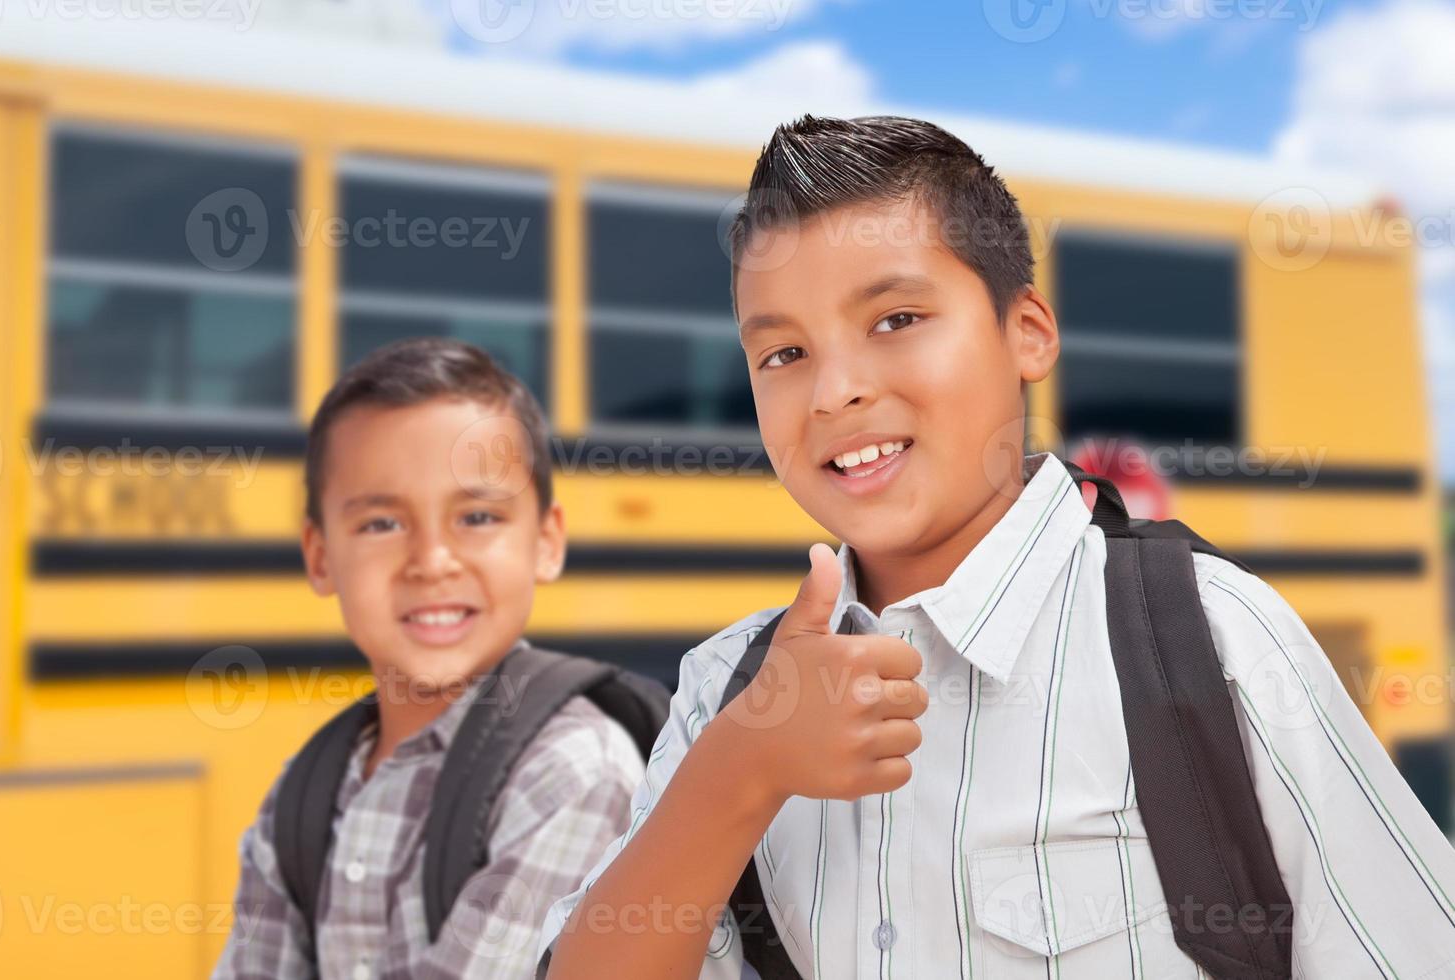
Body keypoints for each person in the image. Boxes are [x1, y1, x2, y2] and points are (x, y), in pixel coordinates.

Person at [541, 114, 1455, 978]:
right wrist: (739, 771)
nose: (834, 392)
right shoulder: (727, 691)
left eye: (896, 320)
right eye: (782, 354)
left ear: (1028, 333)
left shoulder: (1209, 640)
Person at [213, 337, 646, 979]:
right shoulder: (305, 793)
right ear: (320, 555)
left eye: (476, 516)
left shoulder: (571, 771)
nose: (432, 561)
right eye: (382, 524)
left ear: (546, 542)